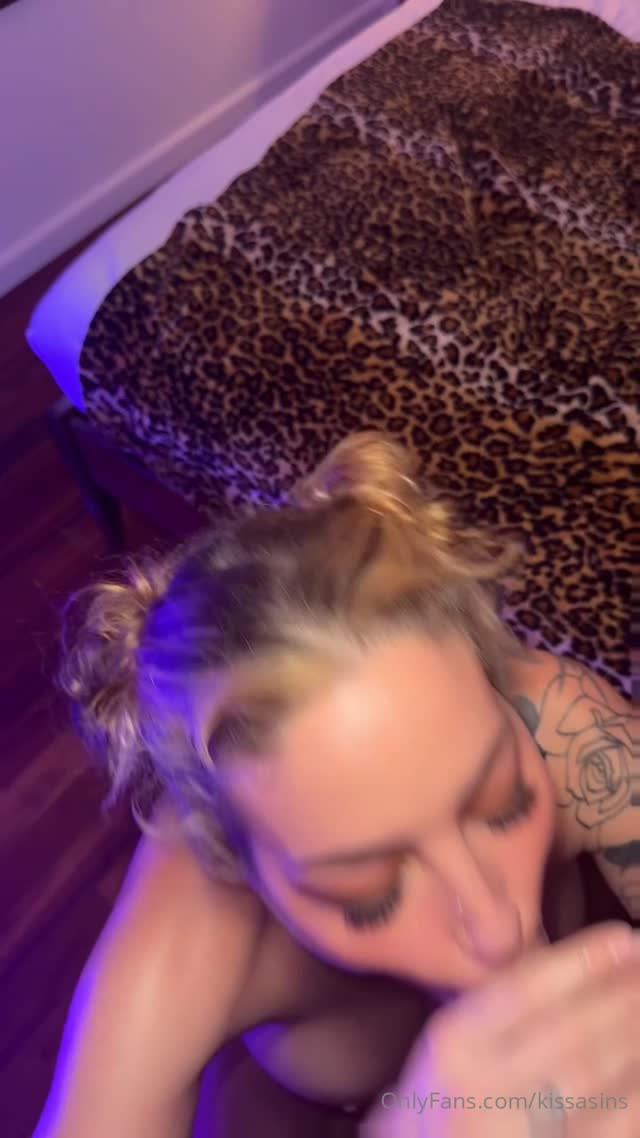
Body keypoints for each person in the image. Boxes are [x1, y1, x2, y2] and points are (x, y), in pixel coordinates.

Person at [33, 432, 638, 1138]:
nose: (498, 928)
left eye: (504, 801)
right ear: (239, 863)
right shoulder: (187, 938)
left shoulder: (562, 724)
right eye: (369, 890)